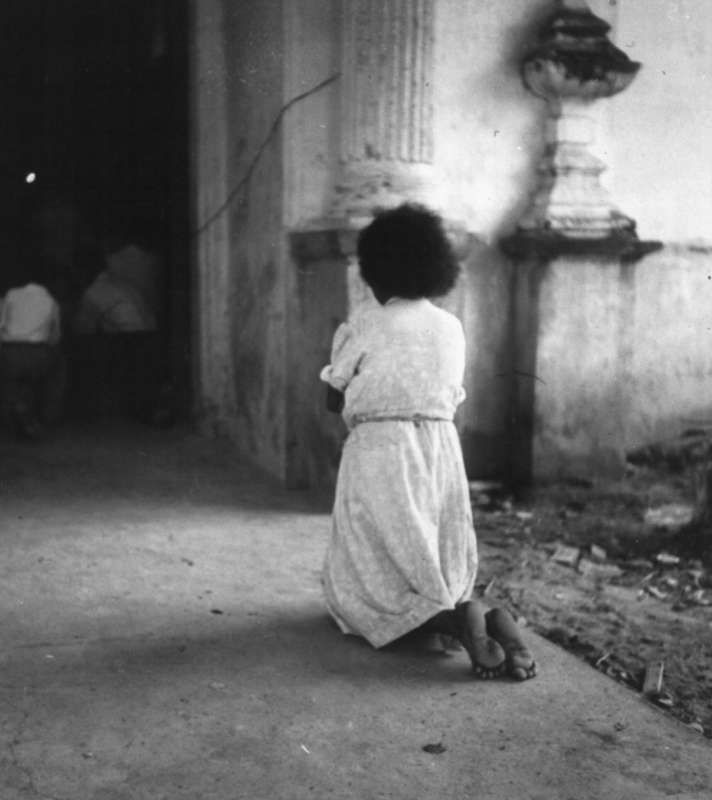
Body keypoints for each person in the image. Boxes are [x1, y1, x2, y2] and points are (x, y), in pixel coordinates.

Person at [320, 203, 536, 680]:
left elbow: (334, 399)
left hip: (380, 449)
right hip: (439, 448)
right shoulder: (450, 327)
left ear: (375, 271)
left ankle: (455, 623)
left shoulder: (364, 323)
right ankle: (485, 617)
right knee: (431, 542)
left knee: (370, 565)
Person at [0, 264, 66, 438]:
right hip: (38, 355)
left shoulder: (11, 295)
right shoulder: (52, 301)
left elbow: (1, 324)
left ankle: (16, 411)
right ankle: (47, 416)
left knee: (13, 379)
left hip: (8, 352)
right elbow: (55, 337)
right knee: (58, 368)